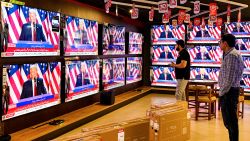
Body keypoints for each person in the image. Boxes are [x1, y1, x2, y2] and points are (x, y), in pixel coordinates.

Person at [218, 33, 244, 141]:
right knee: (230, 122)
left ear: (225, 43)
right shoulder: (231, 54)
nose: (219, 44)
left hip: (228, 92)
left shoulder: (232, 55)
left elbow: (229, 79)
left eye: (220, 42)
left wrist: (221, 93)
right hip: (229, 91)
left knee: (231, 122)